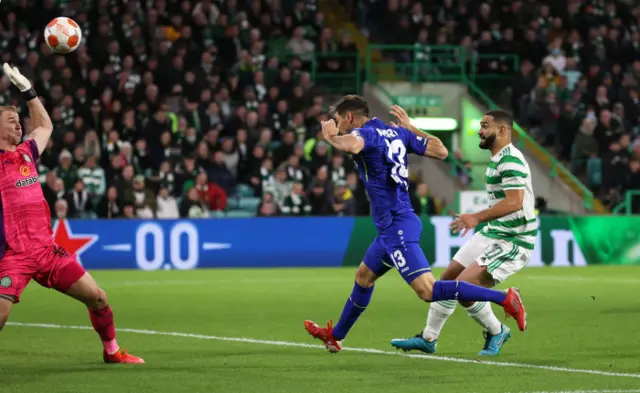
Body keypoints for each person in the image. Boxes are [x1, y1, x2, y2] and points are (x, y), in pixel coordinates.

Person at [303, 96, 527, 353]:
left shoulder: (367, 133)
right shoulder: (396, 133)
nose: (338, 124)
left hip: (397, 225)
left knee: (428, 291)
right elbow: (441, 150)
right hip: (394, 225)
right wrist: (411, 129)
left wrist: (331, 138)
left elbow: (353, 145)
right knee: (364, 277)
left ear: (350, 117)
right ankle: (336, 336)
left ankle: (506, 298)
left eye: (339, 120)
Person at [0, 64, 144, 364]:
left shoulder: (26, 153)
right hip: (15, 254)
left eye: (19, 121)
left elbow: (45, 126)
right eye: (12, 121)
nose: (19, 125)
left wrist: (29, 92)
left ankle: (112, 351)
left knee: (98, 297)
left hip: (47, 251)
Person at [391, 109, 536, 356]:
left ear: (502, 131)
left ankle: (497, 329)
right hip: (493, 233)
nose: (479, 130)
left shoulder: (511, 160)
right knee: (447, 281)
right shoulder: (498, 157)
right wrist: (412, 130)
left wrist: (475, 217)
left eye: (485, 126)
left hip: (513, 240)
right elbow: (441, 152)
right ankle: (429, 338)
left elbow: (514, 202)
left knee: (464, 286)